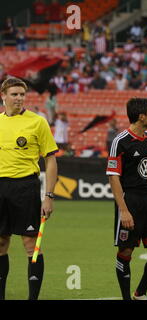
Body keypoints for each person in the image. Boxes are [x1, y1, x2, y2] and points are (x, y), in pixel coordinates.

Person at [106, 98, 147, 300]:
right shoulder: (121, 141)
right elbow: (113, 176)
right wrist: (123, 210)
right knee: (126, 253)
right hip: (130, 201)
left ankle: (140, 293)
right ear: (141, 117)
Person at [0, 77, 58, 300]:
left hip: (26, 186)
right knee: (1, 242)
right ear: (3, 96)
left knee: (30, 243)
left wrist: (49, 196)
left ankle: (33, 298)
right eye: (14, 94)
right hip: (1, 186)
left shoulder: (38, 122)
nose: (19, 98)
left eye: (22, 94)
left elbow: (51, 160)